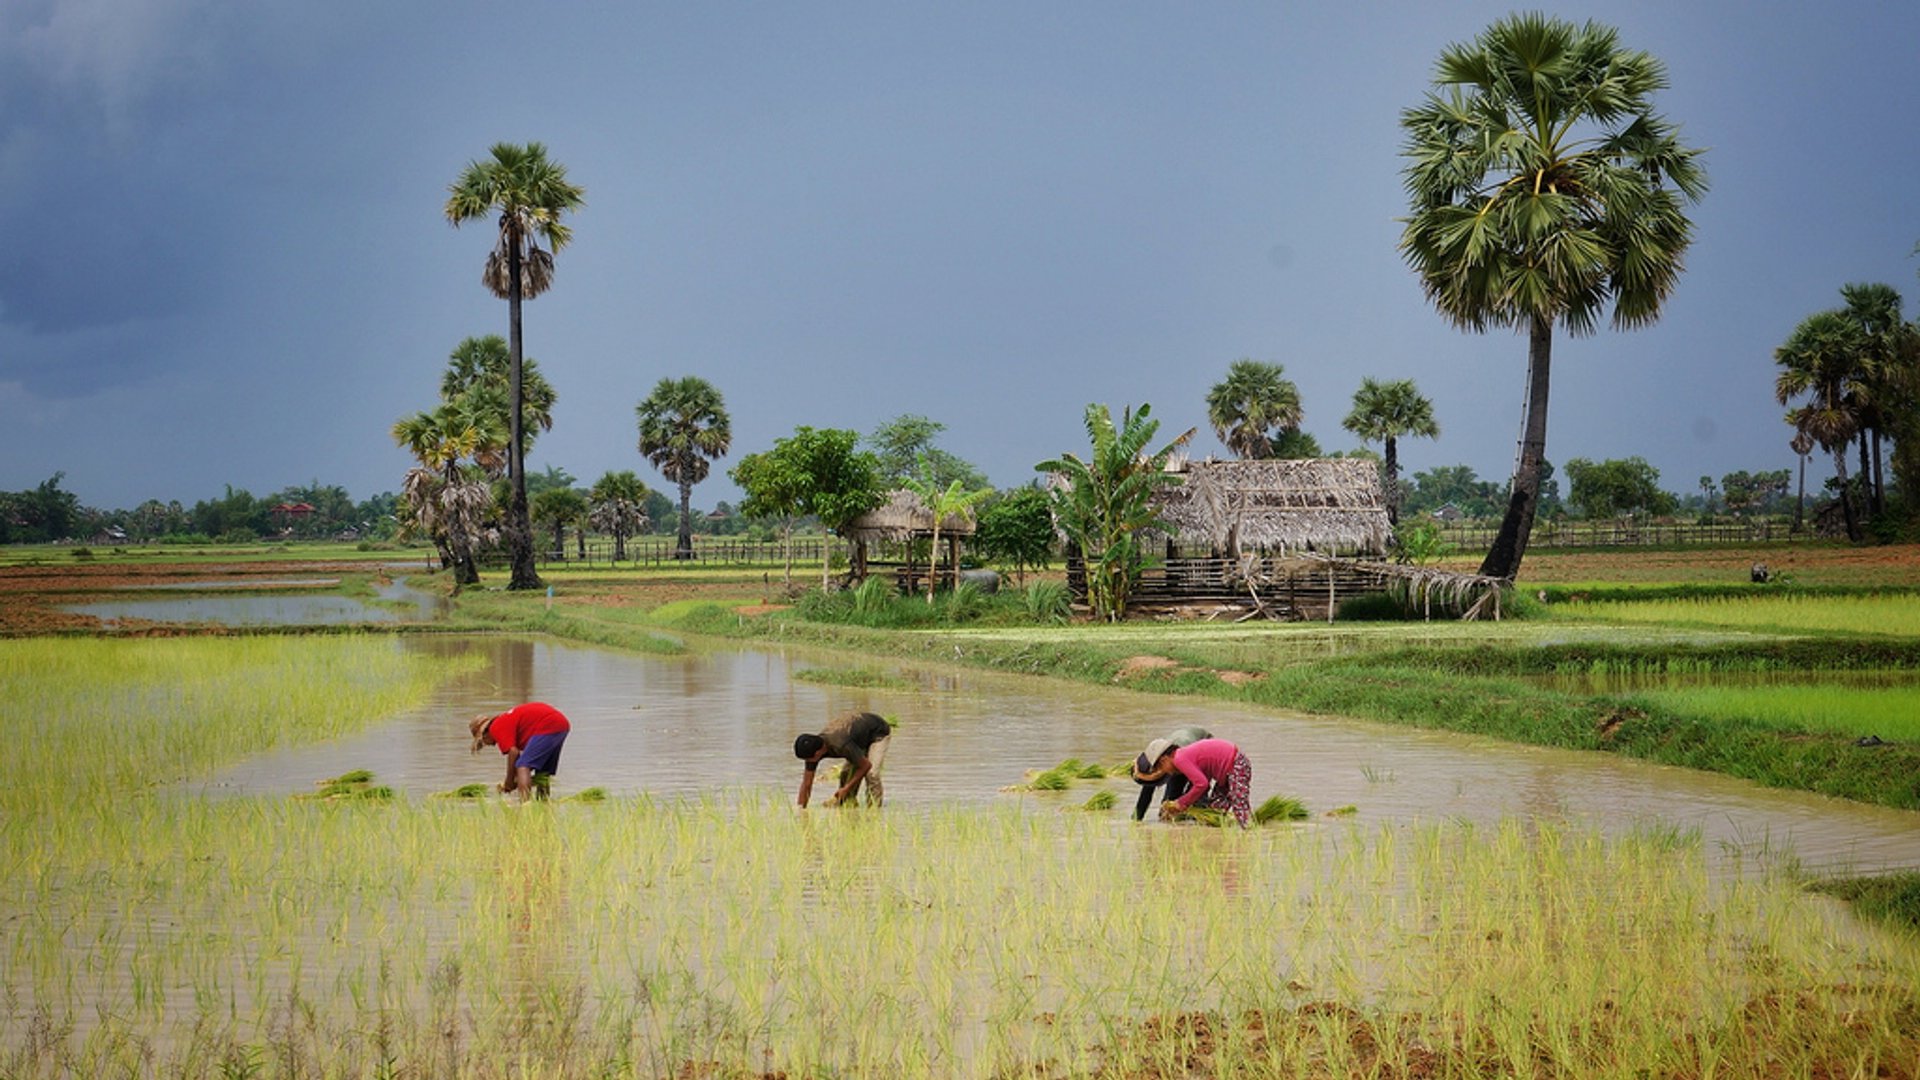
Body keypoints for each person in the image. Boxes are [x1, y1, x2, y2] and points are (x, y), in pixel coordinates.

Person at [1138, 737, 1253, 828]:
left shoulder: (1179, 759)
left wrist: (1182, 803)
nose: (1167, 773)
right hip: (1224, 774)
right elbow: (1204, 777)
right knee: (1215, 812)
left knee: (1239, 803)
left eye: (1162, 769)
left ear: (1164, 760)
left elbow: (1202, 784)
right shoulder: (1183, 755)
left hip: (1237, 764)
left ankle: (1250, 833)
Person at [470, 701, 571, 802]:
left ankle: (525, 806)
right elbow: (518, 756)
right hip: (561, 725)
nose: (488, 745)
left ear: (485, 734)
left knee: (522, 766)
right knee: (542, 773)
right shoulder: (504, 720)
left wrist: (509, 781)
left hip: (548, 725)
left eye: (483, 742)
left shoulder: (495, 727)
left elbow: (513, 752)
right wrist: (515, 780)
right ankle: (543, 804)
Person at [794, 711, 892, 808]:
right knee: (846, 773)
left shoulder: (841, 744)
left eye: (810, 759)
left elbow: (866, 766)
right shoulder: (812, 751)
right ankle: (849, 805)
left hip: (878, 733)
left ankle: (874, 809)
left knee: (872, 774)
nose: (809, 762)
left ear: (819, 752)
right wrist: (801, 810)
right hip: (857, 739)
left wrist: (846, 788)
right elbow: (807, 784)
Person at [1130, 726, 1211, 821]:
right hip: (1176, 754)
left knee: (1197, 801)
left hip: (1203, 749)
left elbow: (1200, 785)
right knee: (1168, 807)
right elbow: (1146, 794)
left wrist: (1184, 803)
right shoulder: (1152, 766)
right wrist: (1136, 819)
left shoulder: (1176, 759)